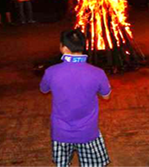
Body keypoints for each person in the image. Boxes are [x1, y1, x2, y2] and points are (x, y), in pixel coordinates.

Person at [40, 29, 111, 167]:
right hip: (88, 132)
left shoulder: (51, 72)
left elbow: (44, 89)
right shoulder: (97, 73)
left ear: (64, 48)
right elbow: (106, 96)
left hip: (61, 133)